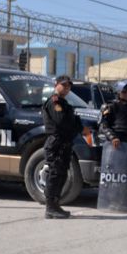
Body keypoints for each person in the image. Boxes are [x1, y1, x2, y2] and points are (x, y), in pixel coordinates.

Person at [41, 75, 82, 219]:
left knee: (62, 175)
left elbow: (76, 125)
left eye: (69, 86)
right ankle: (50, 207)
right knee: (55, 174)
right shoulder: (54, 102)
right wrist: (74, 122)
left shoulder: (65, 104)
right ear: (56, 85)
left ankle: (56, 205)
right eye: (64, 85)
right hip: (56, 143)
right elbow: (61, 121)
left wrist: (75, 123)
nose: (66, 88)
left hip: (65, 143)